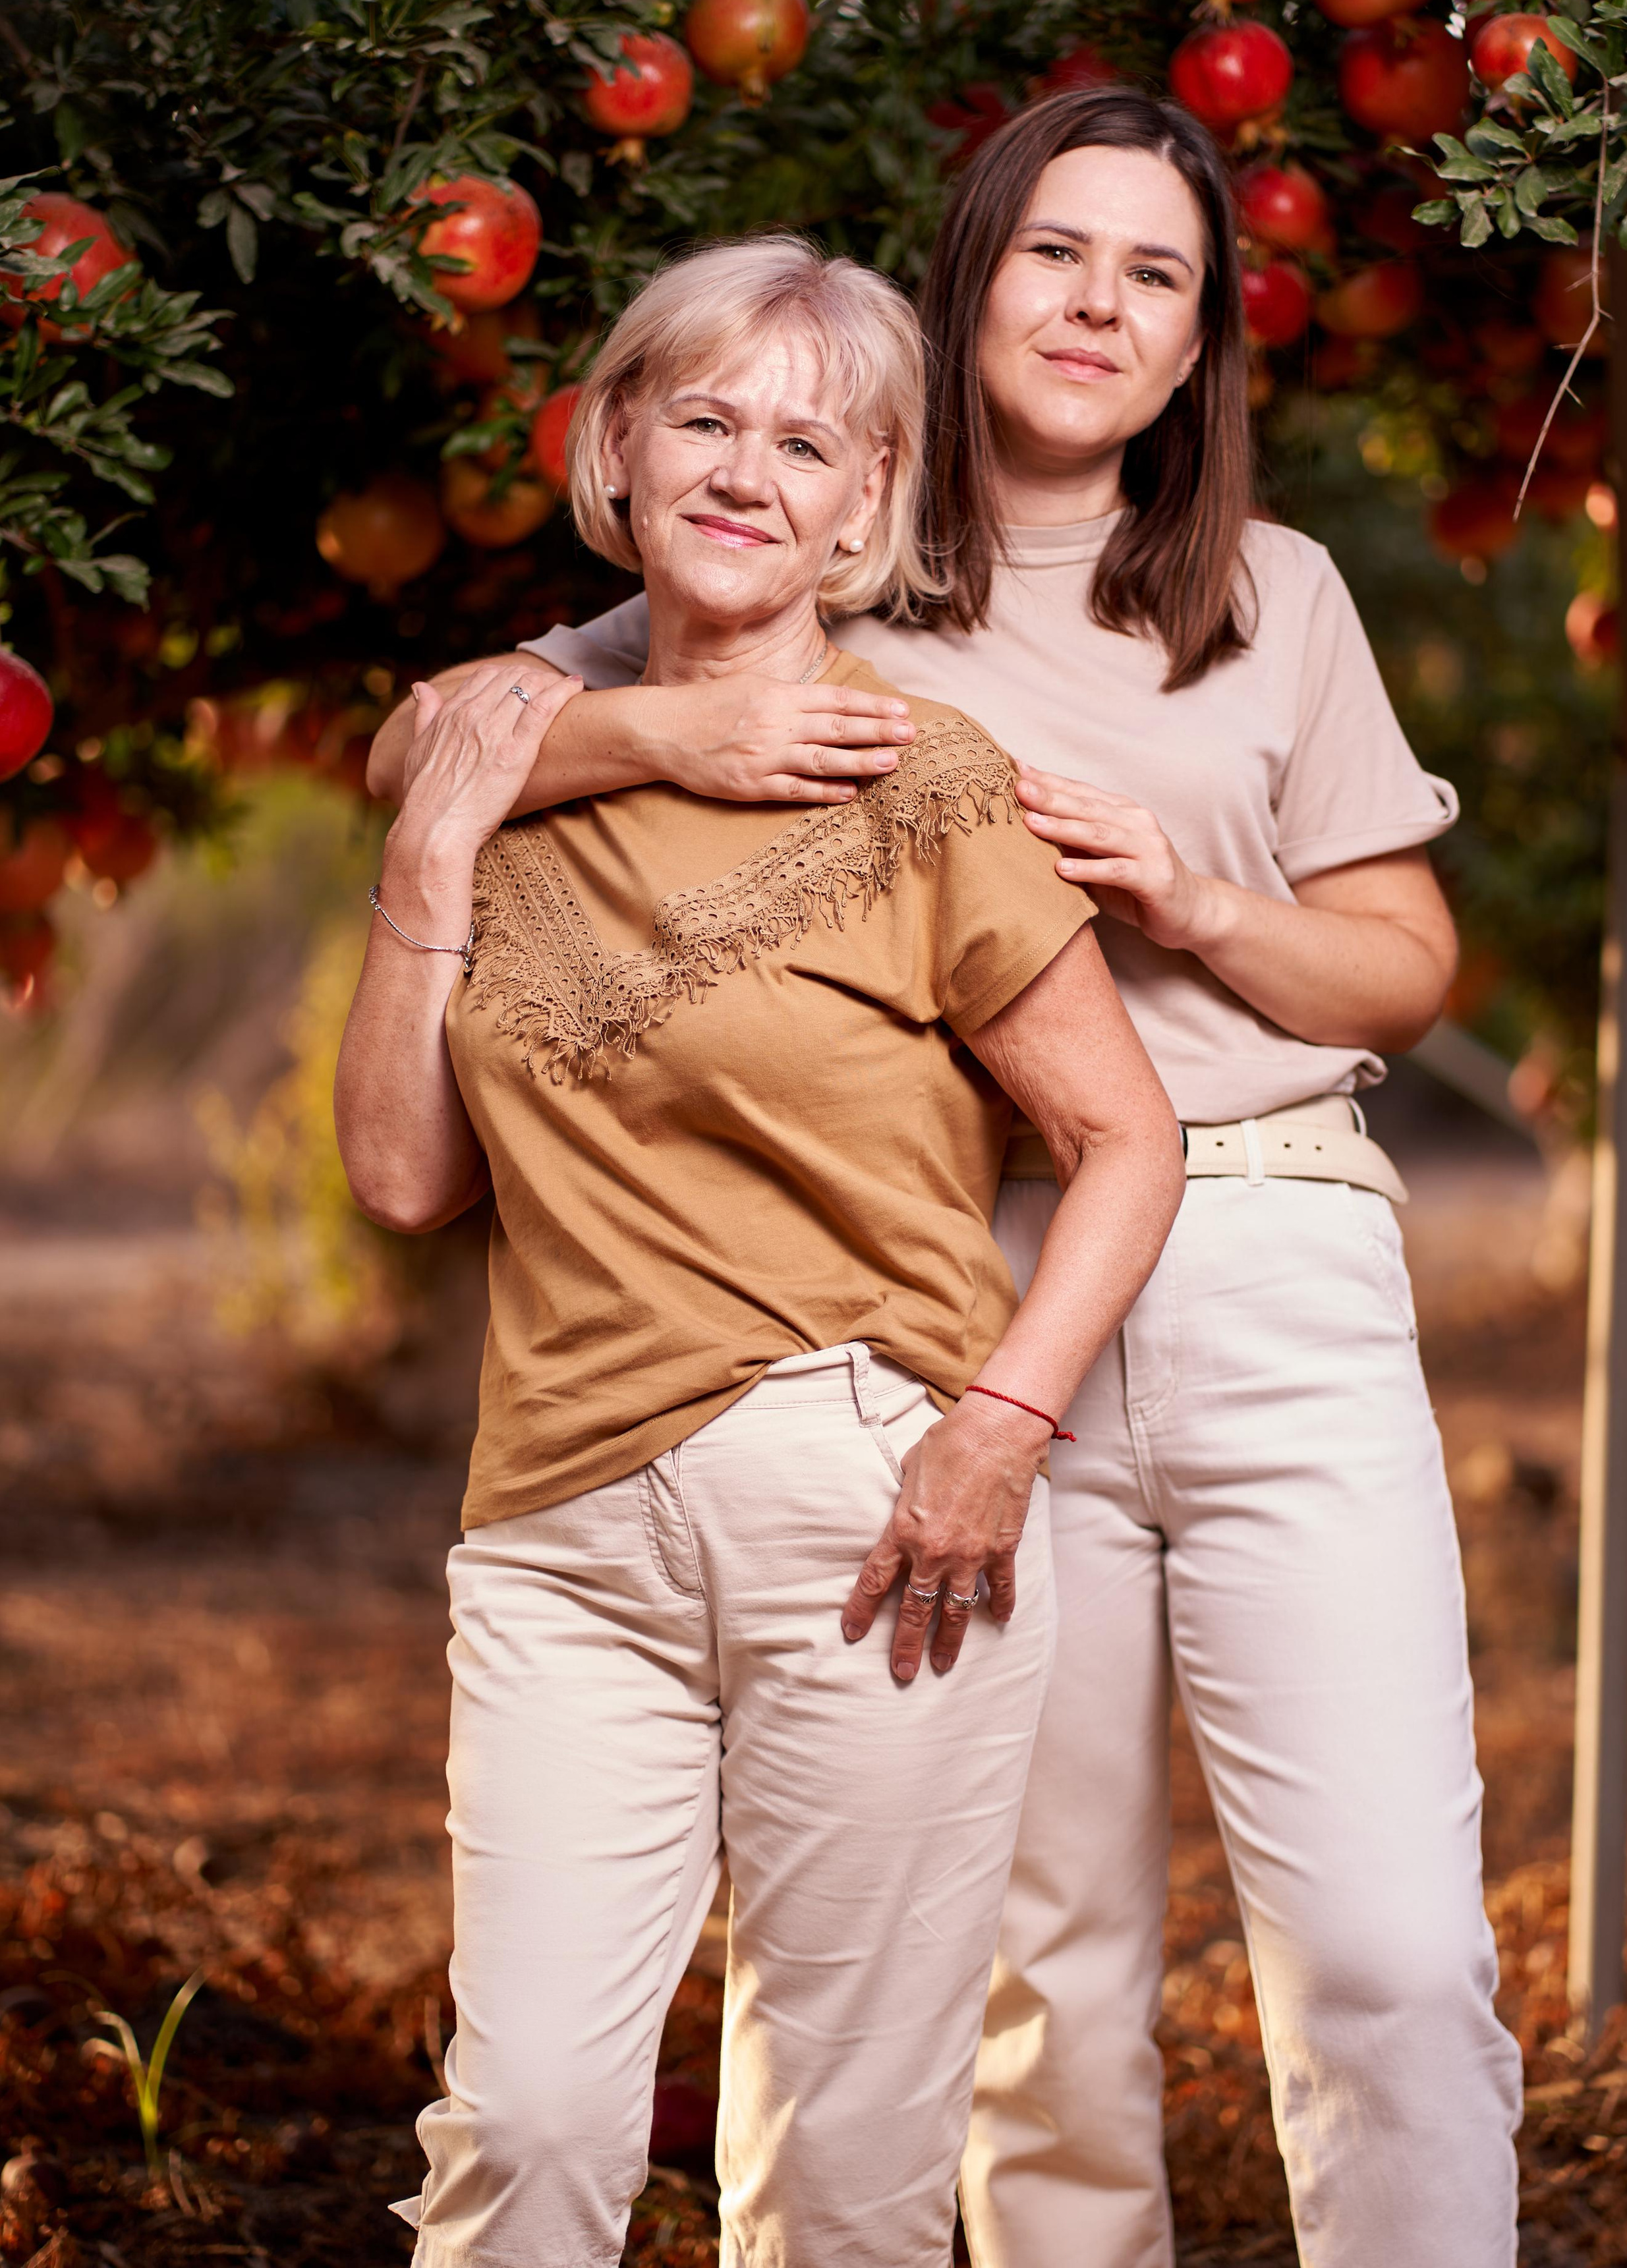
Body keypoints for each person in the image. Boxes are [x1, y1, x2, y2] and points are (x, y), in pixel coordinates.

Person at [372, 87, 1526, 2266]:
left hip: (1268, 1237)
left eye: (1157, 276)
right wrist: (673, 737)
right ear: (966, 277)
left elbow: (1404, 967)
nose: (1098, 307)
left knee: (1384, 1947)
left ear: (1200, 350)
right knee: (1037, 1968)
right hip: (958, 1283)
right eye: (1054, 255)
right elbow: (432, 746)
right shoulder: (817, 546)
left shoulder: (1263, 596)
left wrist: (1195, 902)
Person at [339, 233, 1184, 2268]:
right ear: (614, 446)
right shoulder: (483, 756)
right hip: (558, 1526)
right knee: (528, 2123)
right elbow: (398, 1179)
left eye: (809, 445)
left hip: (878, 1509)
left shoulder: (921, 781)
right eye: (702, 419)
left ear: (871, 504)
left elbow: (1122, 1139)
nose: (746, 472)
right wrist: (445, 846)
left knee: (840, 2173)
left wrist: (998, 1423)